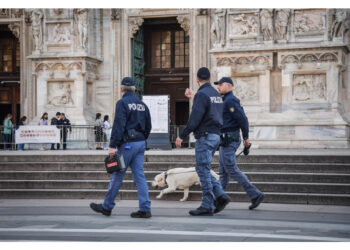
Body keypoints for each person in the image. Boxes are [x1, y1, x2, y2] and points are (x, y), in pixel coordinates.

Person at [90, 77, 152, 218]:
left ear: (121, 89)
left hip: (128, 144)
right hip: (140, 143)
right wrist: (141, 139)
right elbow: (149, 126)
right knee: (140, 176)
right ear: (135, 89)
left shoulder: (122, 103)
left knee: (116, 175)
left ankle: (107, 206)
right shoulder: (142, 104)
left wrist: (112, 145)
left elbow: (119, 125)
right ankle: (145, 208)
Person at [175, 67, 230, 216]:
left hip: (205, 136)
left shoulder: (202, 94)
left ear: (197, 79)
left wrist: (182, 135)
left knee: (202, 169)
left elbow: (195, 118)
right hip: (215, 135)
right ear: (211, 79)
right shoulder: (216, 94)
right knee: (204, 168)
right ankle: (220, 194)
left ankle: (207, 203)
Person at [214, 77, 264, 210]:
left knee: (230, 168)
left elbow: (243, 119)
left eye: (221, 84)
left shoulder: (231, 101)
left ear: (229, 86)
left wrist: (246, 138)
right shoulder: (224, 100)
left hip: (230, 139)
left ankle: (255, 194)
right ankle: (220, 198)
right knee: (223, 171)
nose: (218, 87)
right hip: (225, 140)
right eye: (217, 85)